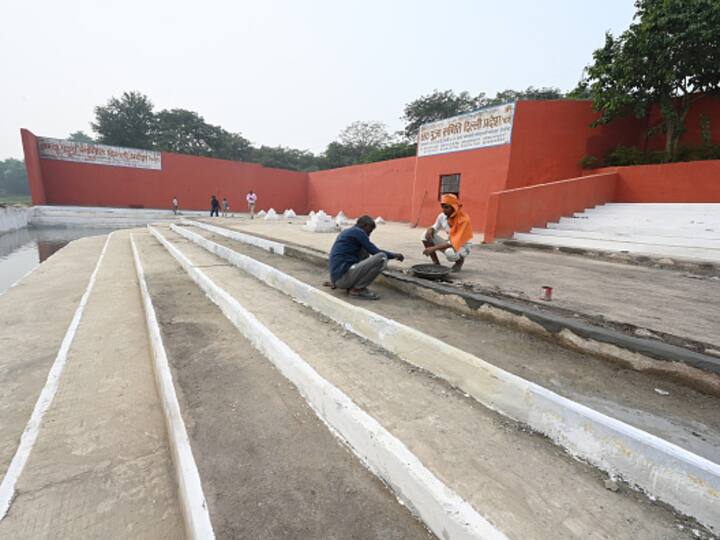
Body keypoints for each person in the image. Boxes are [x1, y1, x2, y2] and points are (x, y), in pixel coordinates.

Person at [329, 215, 404, 300]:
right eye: (370, 231)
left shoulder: (349, 231)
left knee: (364, 250)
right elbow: (375, 252)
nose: (369, 234)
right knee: (382, 258)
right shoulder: (358, 232)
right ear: (365, 226)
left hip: (337, 279)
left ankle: (351, 284)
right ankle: (357, 289)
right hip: (342, 279)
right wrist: (394, 255)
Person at [422, 193, 473, 272]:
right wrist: (431, 229)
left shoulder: (463, 220)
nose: (443, 210)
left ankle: (459, 261)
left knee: (450, 253)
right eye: (442, 207)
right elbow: (435, 226)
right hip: (450, 242)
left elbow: (453, 242)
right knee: (425, 235)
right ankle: (436, 263)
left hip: (462, 246)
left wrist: (433, 248)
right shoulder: (442, 216)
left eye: (446, 207)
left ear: (454, 207)